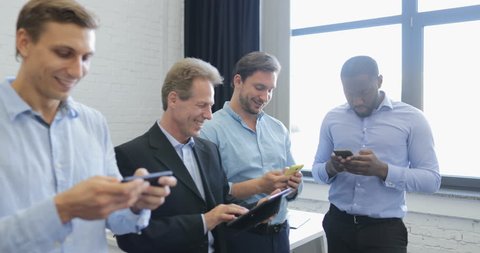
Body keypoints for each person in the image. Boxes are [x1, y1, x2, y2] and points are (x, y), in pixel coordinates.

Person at [0, 1, 177, 252]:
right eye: (64, 53)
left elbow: (116, 220)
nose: (77, 70)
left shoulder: (93, 123)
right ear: (24, 42)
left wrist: (135, 204)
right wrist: (62, 209)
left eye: (86, 57)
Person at [114, 57, 253, 253]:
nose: (209, 115)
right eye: (202, 105)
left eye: (210, 106)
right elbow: (131, 238)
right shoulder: (129, 155)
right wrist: (205, 221)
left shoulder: (210, 150)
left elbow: (222, 199)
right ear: (173, 99)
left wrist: (255, 210)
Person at [311, 55, 441, 253]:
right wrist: (331, 168)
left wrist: (383, 170)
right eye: (349, 93)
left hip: (384, 232)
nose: (357, 101)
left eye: (364, 92)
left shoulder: (413, 119)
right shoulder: (332, 118)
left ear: (379, 81)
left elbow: (431, 180)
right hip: (338, 225)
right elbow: (317, 171)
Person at [200, 51, 303, 253]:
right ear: (238, 81)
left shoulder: (278, 129)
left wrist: (293, 186)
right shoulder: (209, 130)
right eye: (259, 88)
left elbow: (293, 190)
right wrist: (259, 185)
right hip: (239, 238)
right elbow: (210, 194)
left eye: (270, 90)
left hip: (280, 235)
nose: (265, 97)